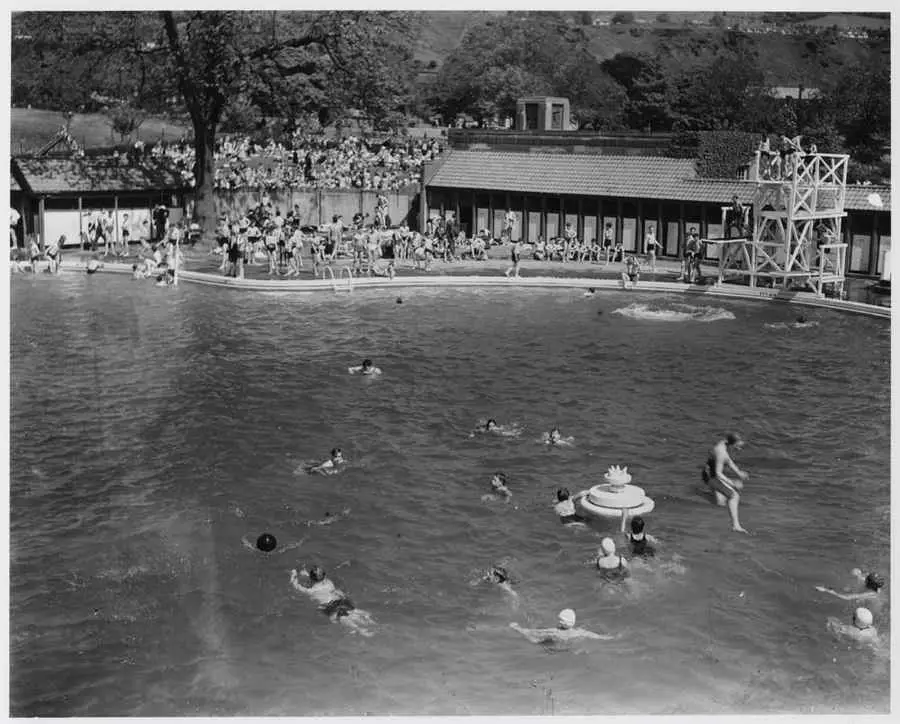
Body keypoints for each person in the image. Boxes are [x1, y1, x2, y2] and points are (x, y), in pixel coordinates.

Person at [289, 565, 374, 636]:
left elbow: (295, 585)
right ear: (324, 576)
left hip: (329, 606)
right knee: (353, 611)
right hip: (341, 601)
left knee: (343, 618)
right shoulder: (329, 583)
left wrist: (293, 574)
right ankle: (370, 620)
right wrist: (307, 574)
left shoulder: (311, 591)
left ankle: (360, 630)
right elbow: (318, 579)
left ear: (311, 579)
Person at [701, 433, 750, 534]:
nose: (739, 449)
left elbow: (728, 460)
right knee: (734, 496)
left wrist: (738, 472)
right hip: (712, 477)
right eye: (737, 446)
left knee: (720, 503)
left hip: (708, 473)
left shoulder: (724, 443)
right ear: (732, 444)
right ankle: (736, 526)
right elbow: (719, 473)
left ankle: (701, 493)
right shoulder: (721, 452)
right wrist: (732, 483)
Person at [509, 609, 615, 644]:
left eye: (560, 620)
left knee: (534, 640)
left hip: (554, 648)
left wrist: (517, 627)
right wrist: (608, 638)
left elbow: (536, 632)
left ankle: (517, 629)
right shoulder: (579, 632)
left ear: (562, 623)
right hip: (568, 648)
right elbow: (594, 636)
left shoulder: (555, 631)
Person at [816, 570, 885, 603]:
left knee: (857, 600)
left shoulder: (869, 594)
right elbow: (865, 575)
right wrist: (858, 574)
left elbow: (847, 597)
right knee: (849, 588)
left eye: (867, 577)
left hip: (870, 603)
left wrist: (826, 590)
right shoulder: (875, 585)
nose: (866, 575)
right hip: (869, 592)